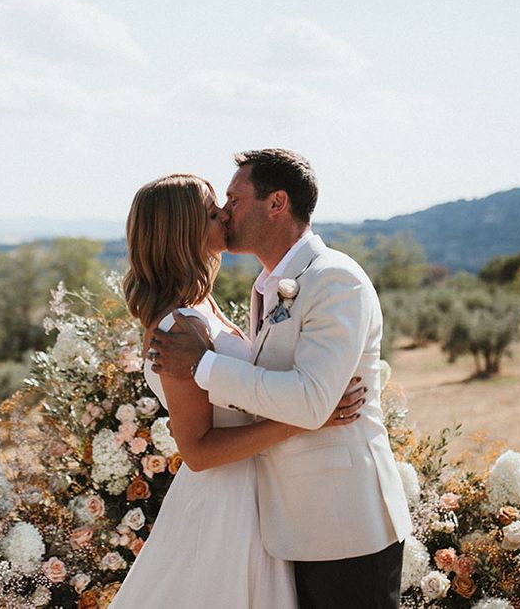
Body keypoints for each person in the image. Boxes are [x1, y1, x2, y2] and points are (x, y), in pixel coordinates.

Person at [149, 150, 412, 609]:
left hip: (345, 523)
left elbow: (312, 401)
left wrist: (204, 367)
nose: (226, 211)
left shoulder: (334, 280)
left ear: (277, 203)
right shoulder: (268, 286)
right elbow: (276, 399)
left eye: (233, 198)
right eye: (220, 205)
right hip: (287, 524)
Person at [110, 173, 365, 608]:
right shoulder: (177, 327)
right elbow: (199, 451)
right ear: (183, 233)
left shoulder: (201, 307)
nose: (226, 216)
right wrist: (303, 420)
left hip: (255, 494)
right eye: (213, 213)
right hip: (223, 511)